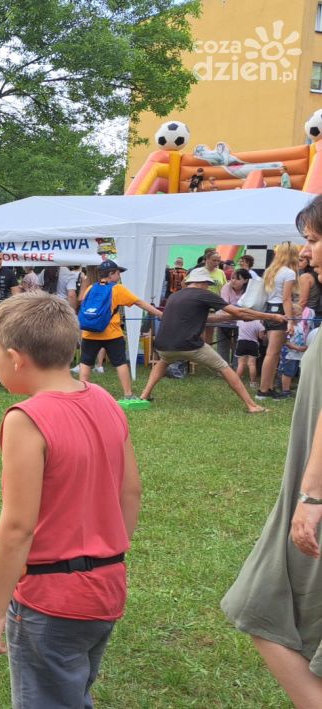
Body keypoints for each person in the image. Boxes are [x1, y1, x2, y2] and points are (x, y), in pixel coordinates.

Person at [0, 292, 142, 709]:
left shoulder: (26, 419)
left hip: (50, 599)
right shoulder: (104, 398)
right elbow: (131, 491)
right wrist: (106, 554)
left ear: (15, 359)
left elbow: (18, 527)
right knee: (72, 693)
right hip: (107, 585)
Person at [222, 196, 322, 707]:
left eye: (315, 240)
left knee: (259, 600)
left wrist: (312, 496)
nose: (308, 253)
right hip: (306, 490)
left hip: (314, 496)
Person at [139, 268, 287, 413]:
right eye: (207, 284)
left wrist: (232, 317)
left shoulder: (175, 296)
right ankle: (252, 406)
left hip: (162, 346)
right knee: (224, 367)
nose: (208, 286)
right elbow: (239, 311)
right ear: (201, 282)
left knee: (163, 361)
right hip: (189, 345)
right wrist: (272, 316)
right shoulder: (204, 294)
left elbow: (206, 318)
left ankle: (144, 395)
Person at [77, 260, 162, 402]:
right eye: (118, 273)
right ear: (111, 274)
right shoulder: (117, 289)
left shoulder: (91, 288)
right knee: (120, 362)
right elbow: (139, 302)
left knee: (85, 362)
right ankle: (128, 394)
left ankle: (81, 394)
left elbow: (83, 303)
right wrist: (159, 314)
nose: (119, 275)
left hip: (89, 333)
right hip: (112, 334)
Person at [257, 242, 300, 400]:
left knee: (272, 354)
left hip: (269, 311)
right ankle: (263, 390)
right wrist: (290, 321)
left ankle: (268, 388)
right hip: (280, 312)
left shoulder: (271, 270)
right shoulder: (289, 273)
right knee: (272, 353)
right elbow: (286, 299)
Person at [279, 321, 315, 397]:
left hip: (297, 355)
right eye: (297, 315)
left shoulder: (300, 326)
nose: (299, 316)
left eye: (300, 315)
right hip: (289, 355)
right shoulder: (289, 327)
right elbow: (286, 341)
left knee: (292, 372)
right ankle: (285, 391)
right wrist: (298, 348)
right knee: (287, 373)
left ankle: (287, 388)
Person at [235, 317, 264, 389]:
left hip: (241, 343)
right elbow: (261, 337)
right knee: (252, 364)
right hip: (253, 344)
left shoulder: (240, 321)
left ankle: (237, 381)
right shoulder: (258, 323)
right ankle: (252, 382)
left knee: (241, 363)